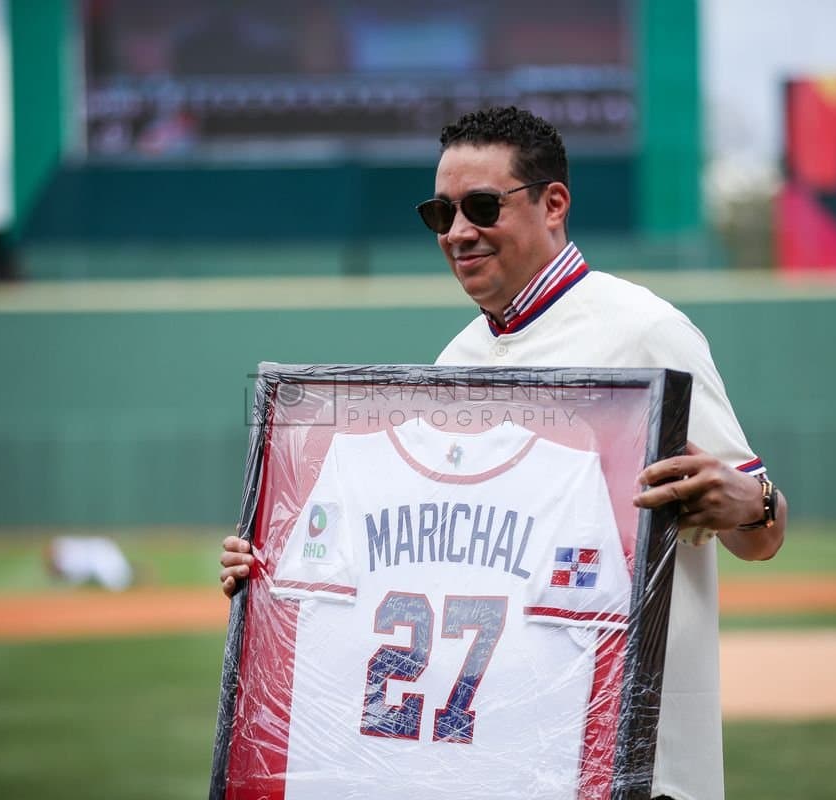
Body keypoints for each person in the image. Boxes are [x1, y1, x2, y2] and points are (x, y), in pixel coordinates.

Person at [220, 106, 787, 800]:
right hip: (505, 763)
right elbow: (433, 553)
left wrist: (752, 503)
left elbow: (760, 537)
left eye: (482, 206)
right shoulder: (457, 357)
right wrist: (277, 573)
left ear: (553, 204)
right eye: (441, 213)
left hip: (637, 768)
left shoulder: (644, 332)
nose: (458, 233)